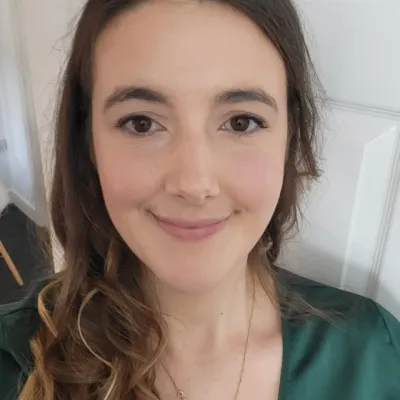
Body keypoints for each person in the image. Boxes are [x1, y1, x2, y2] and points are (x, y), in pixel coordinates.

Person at [1, 0, 399, 399]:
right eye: (141, 123)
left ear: (289, 139)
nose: (194, 183)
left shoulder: (374, 352)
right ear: (88, 143)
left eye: (241, 122)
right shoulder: (13, 361)